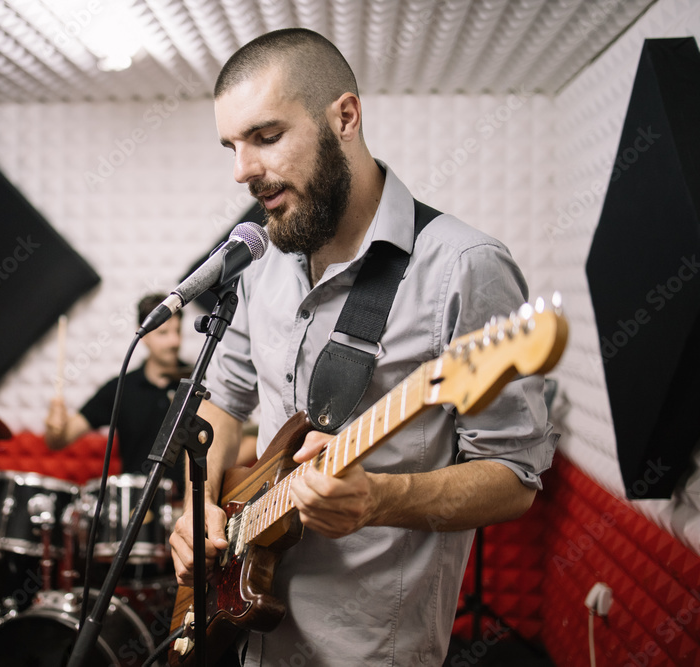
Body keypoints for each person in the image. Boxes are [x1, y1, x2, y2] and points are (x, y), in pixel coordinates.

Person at [169, 28, 557, 666]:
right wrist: (198, 507)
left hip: (372, 647)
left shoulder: (465, 267)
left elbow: (515, 479)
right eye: (232, 147)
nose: (243, 171)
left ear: (344, 116)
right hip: (247, 633)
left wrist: (381, 499)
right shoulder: (261, 261)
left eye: (266, 137)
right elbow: (220, 405)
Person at [45, 293, 189, 481]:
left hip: (189, 503)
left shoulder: (198, 381)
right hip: (134, 505)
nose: (174, 341)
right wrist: (54, 425)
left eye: (177, 331)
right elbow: (59, 441)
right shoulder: (121, 388)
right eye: (164, 333)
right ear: (143, 334)